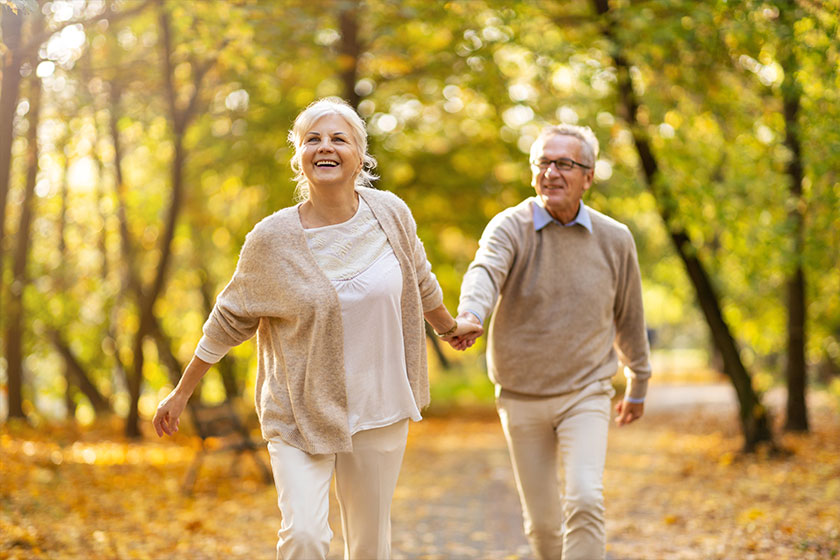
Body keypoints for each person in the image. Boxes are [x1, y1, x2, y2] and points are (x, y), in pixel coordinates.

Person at [153, 97, 482, 560]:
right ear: (300, 157)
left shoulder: (391, 213)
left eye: (337, 138)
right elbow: (228, 319)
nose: (324, 147)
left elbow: (419, 279)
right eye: (313, 139)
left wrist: (450, 328)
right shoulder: (271, 239)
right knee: (305, 536)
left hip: (379, 405)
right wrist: (182, 392)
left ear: (360, 156)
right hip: (299, 410)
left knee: (369, 544)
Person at [457, 124, 651, 560]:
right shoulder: (511, 227)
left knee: (584, 498)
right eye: (543, 162)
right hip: (521, 395)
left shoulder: (614, 238)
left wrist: (638, 382)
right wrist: (471, 313)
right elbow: (485, 270)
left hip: (585, 391)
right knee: (543, 525)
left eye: (565, 163)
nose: (552, 173)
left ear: (589, 174)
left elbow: (630, 315)